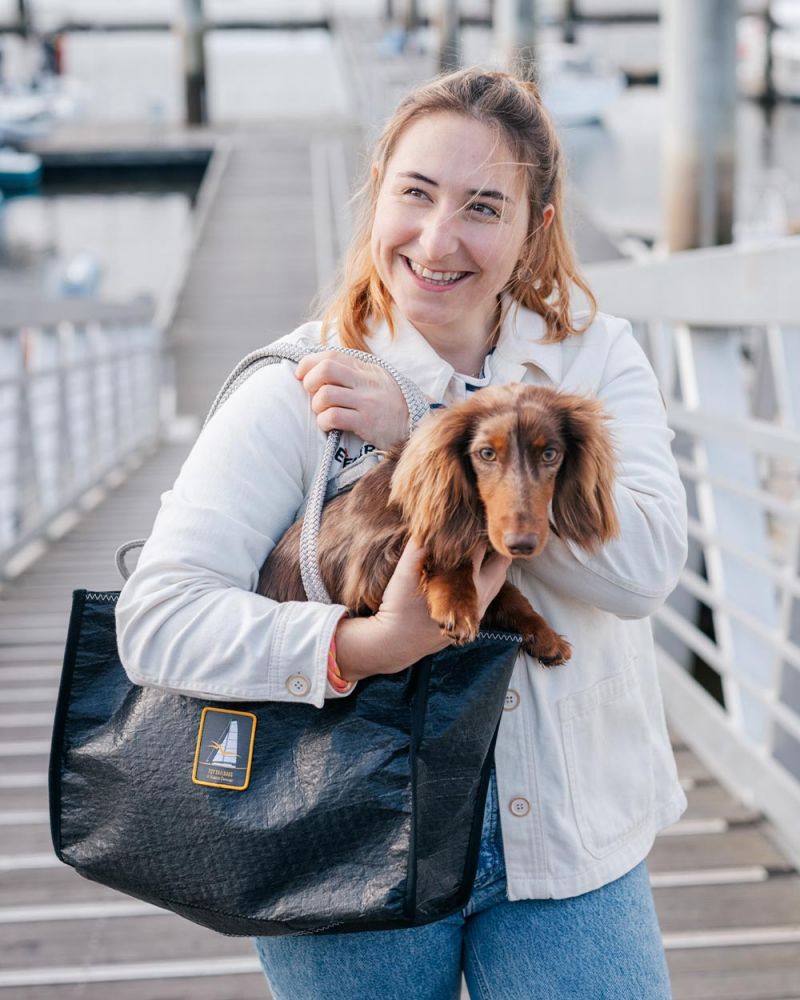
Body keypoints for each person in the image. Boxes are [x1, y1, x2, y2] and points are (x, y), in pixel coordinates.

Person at [116, 68, 688, 1000]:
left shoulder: (594, 357)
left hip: (568, 832)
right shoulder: (298, 386)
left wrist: (429, 422)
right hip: (345, 834)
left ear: (534, 229)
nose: (438, 238)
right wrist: (363, 645)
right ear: (378, 191)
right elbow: (158, 621)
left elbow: (647, 569)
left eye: (483, 207)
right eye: (416, 193)